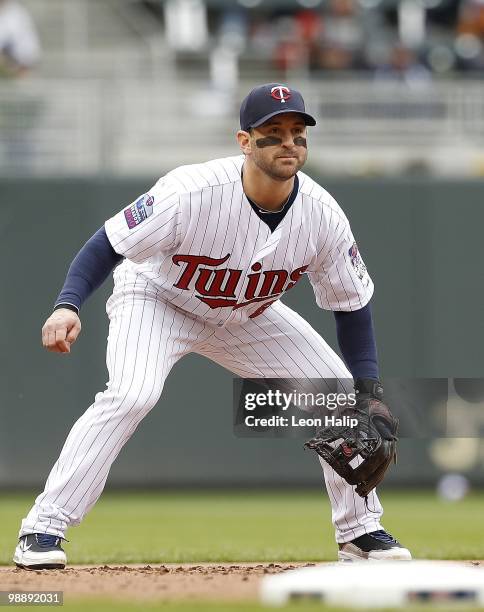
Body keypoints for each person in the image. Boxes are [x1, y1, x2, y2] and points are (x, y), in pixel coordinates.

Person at [13, 83, 411, 569]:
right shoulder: (191, 191)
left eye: (297, 132)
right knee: (133, 394)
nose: (289, 142)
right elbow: (108, 243)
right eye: (273, 132)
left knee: (341, 398)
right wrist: (68, 304)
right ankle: (43, 527)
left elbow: (352, 305)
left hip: (248, 314)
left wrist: (367, 388)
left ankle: (360, 532)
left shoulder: (322, 215)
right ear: (244, 141)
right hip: (158, 299)